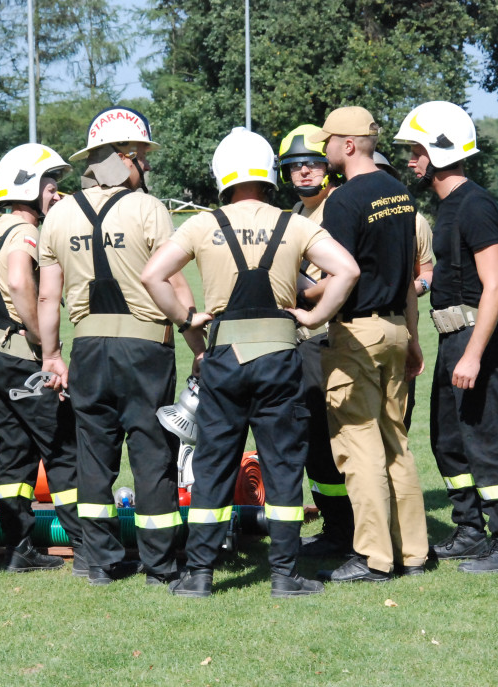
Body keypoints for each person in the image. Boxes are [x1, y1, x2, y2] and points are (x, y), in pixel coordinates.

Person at [142, 127, 360, 598]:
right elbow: (348, 270)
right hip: (281, 359)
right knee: (282, 466)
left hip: (223, 359)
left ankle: (199, 575)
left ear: (222, 175)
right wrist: (313, 315)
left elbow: (152, 275)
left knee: (215, 463)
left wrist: (187, 319)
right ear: (267, 173)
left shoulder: (202, 225)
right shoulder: (295, 224)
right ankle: (284, 575)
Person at [37, 106, 194, 586]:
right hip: (146, 350)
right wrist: (199, 342)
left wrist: (51, 355)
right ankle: (160, 566)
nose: (146, 165)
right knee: (152, 456)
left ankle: (99, 562)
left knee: (94, 458)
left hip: (87, 350)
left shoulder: (59, 214)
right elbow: (176, 285)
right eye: (142, 156)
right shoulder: (149, 208)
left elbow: (48, 295)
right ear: (124, 159)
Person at [0, 143, 86, 574]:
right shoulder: (25, 233)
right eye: (50, 185)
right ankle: (87, 547)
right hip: (26, 360)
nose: (55, 194)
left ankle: (18, 548)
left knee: (15, 456)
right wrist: (46, 346)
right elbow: (20, 280)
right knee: (64, 448)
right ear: (30, 187)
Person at [395, 101, 498, 573]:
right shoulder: (446, 207)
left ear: (440, 150)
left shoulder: (475, 206)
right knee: (448, 442)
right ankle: (470, 531)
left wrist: (472, 355)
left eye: (416, 150)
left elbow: (496, 285)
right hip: (453, 339)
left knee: (486, 440)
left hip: (477, 340)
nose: (412, 160)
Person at [304, 106, 429, 583]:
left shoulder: (343, 200)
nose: (324, 149)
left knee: (360, 447)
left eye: (329, 141)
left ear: (349, 145)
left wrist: (302, 302)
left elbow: (338, 275)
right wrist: (412, 339)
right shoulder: (401, 195)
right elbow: (410, 276)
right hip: (397, 327)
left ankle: (374, 557)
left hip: (357, 332)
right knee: (397, 443)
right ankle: (413, 552)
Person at [278, 123, 355, 559]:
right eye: (295, 167)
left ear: (329, 166)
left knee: (330, 435)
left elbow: (336, 279)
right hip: (306, 337)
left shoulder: (337, 209)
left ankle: (345, 530)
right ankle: (334, 524)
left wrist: (299, 293)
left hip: (327, 335)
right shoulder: (296, 214)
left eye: (312, 164)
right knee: (312, 434)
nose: (304, 173)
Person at [374, 150, 434, 430]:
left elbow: (428, 273)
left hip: (401, 327)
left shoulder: (415, 221)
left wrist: (414, 287)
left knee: (397, 422)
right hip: (350, 334)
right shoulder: (342, 214)